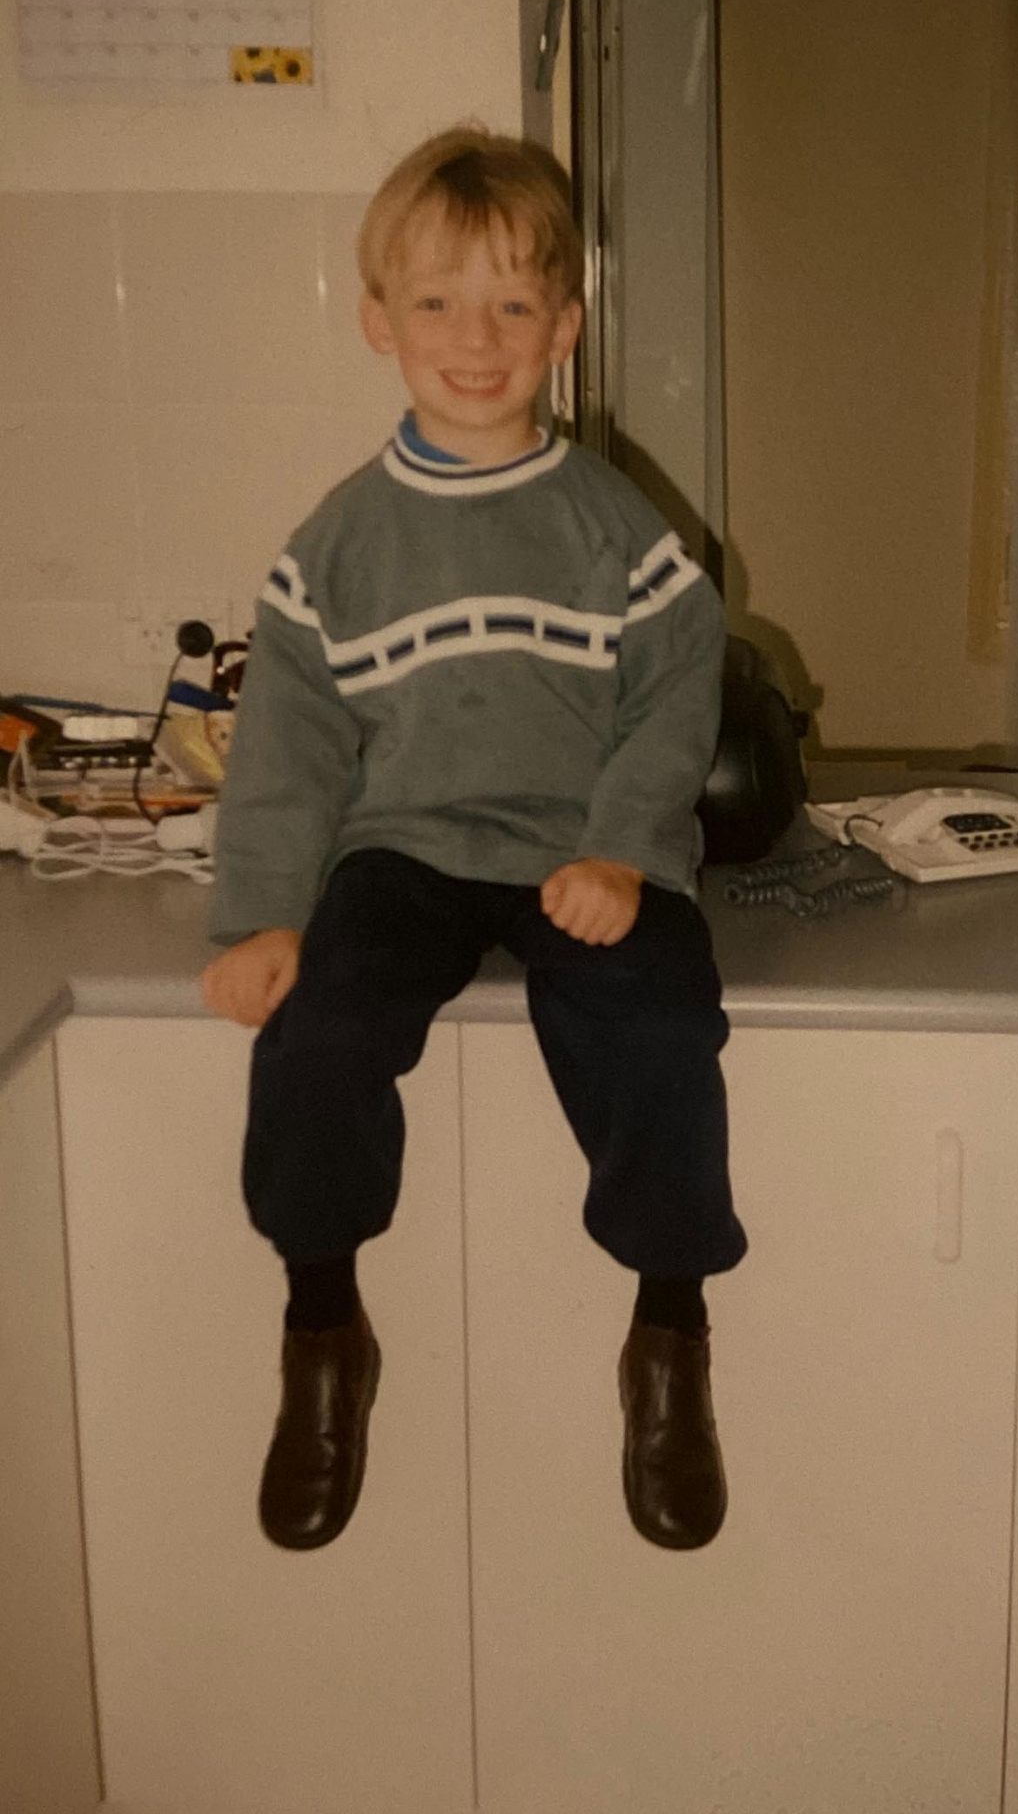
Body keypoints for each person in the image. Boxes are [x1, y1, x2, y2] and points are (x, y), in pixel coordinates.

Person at [199, 126, 747, 1556]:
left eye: (513, 304)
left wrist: (625, 848)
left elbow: (681, 682)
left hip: (586, 848)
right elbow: (289, 749)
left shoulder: (610, 522)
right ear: (377, 318)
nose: (476, 337)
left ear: (564, 327)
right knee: (315, 1034)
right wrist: (262, 913)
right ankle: (323, 1329)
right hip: (409, 853)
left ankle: (668, 1336)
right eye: (437, 301)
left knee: (660, 1029)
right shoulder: (336, 545)